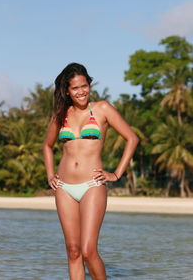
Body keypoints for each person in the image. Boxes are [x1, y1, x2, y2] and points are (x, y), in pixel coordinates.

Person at [43, 63, 139, 280]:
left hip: (92, 185)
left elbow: (132, 138)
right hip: (64, 187)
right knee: (73, 250)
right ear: (67, 91)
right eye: (75, 88)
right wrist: (50, 175)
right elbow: (47, 146)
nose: (81, 91)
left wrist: (116, 174)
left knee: (88, 250)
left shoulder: (102, 109)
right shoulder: (61, 114)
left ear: (89, 84)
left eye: (84, 85)